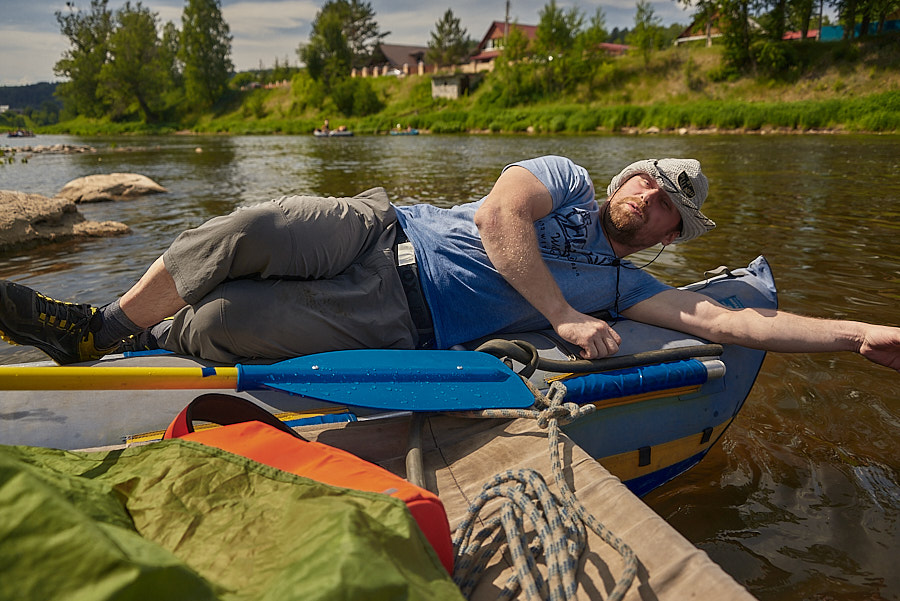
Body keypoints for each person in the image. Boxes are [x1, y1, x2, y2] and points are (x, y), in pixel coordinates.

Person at [1, 156, 898, 372]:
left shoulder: (633, 285)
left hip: (401, 320)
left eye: (668, 207)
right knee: (249, 228)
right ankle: (97, 329)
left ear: (670, 234)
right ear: (624, 178)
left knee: (224, 324)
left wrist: (860, 330)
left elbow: (732, 321)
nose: (648, 201)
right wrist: (559, 316)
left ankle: (140, 350)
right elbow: (502, 217)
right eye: (648, 183)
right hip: (377, 229)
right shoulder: (562, 177)